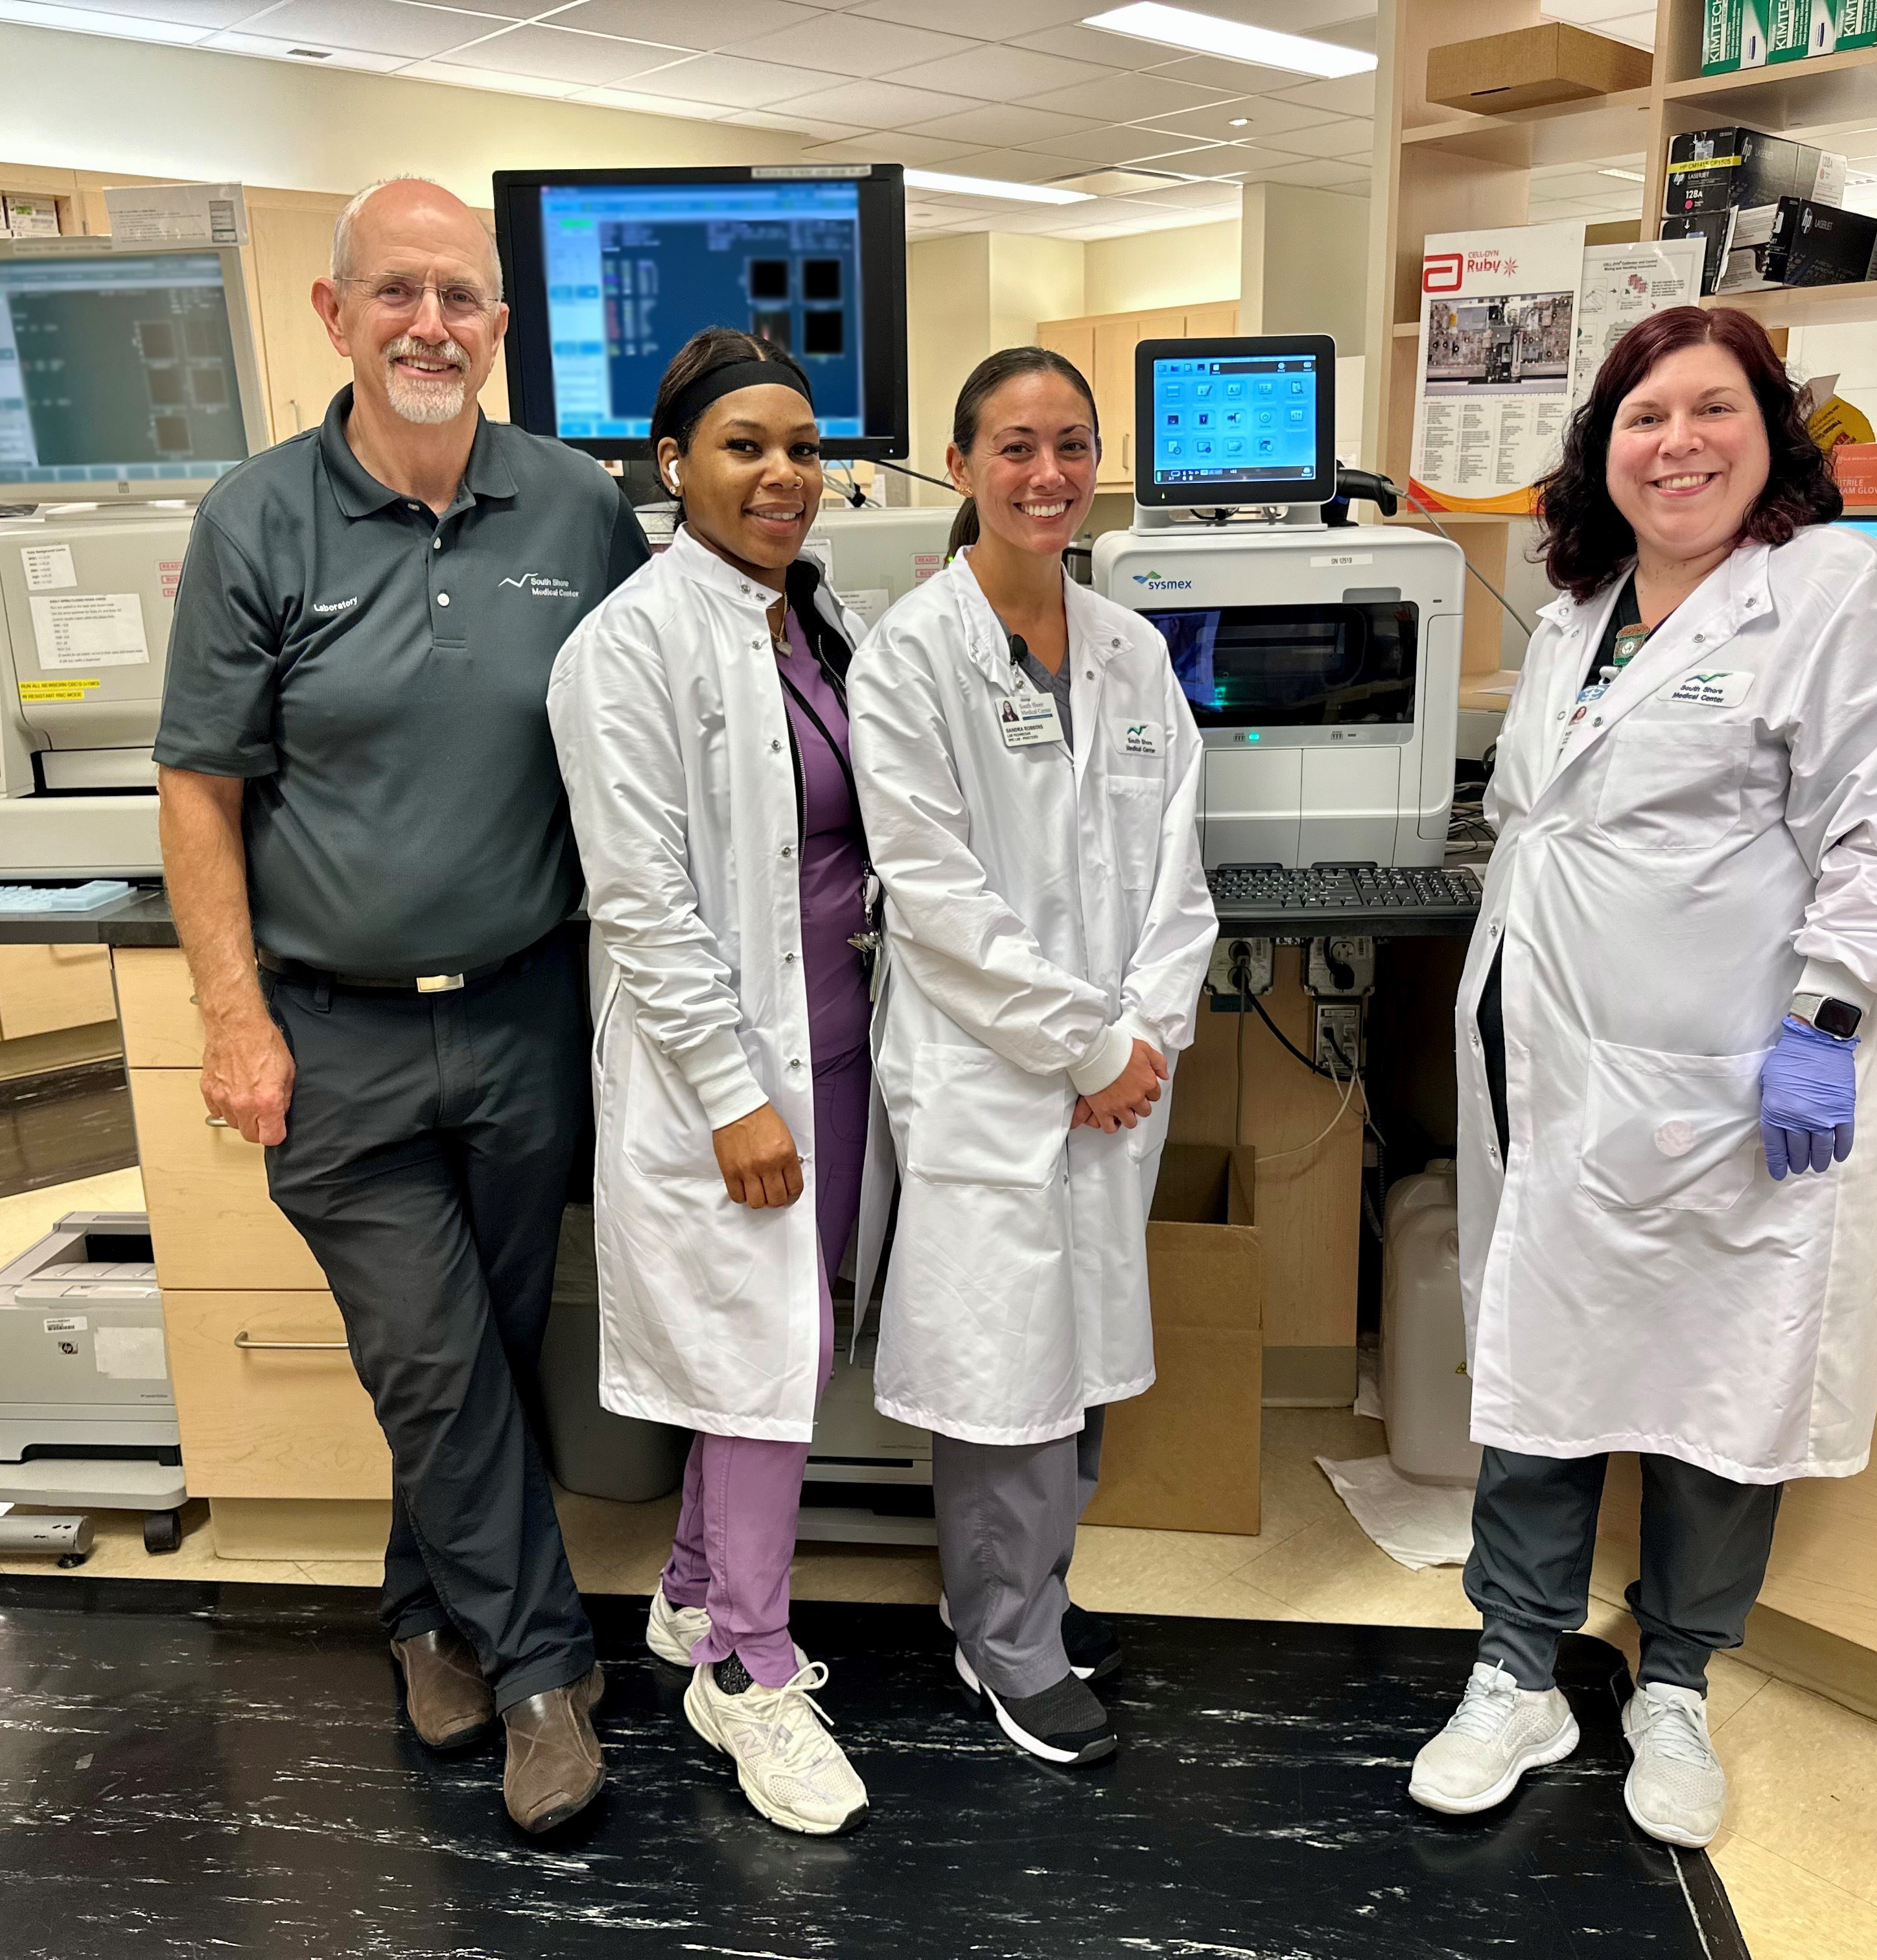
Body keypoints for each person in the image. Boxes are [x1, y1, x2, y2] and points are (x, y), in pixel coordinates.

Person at [1407, 306, 1877, 1847]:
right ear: (1603, 452)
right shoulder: (1581, 604)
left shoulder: (1839, 601)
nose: (1677, 443)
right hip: (1558, 1062)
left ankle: (1675, 1683)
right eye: (1643, 417)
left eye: (1711, 410)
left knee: (1724, 1378)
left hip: (1744, 1075)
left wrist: (1827, 1022)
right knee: (1542, 1367)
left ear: (1772, 433)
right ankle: (1519, 1668)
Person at [153, 177, 649, 1836]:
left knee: (475, 1358)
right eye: (398, 293)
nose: (430, 324)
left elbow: (646, 739)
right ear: (335, 312)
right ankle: (538, 1676)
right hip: (335, 1032)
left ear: (502, 329)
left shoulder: (579, 514)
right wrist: (234, 1016)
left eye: (462, 298)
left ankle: (423, 1615)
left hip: (524, 1013)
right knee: (434, 1361)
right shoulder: (258, 519)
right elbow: (199, 788)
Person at [850, 347, 1218, 1769]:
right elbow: (936, 900)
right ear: (962, 466)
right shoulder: (910, 658)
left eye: (1072, 445)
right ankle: (1005, 1640)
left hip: (1113, 1072)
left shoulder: (1127, 650)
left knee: (1074, 1356)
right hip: (990, 1075)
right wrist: (1084, 1044)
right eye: (1015, 446)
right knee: (1006, 1369)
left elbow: (1178, 859)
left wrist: (1146, 1034)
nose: (1048, 474)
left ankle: (1036, 1600)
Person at [547, 331, 884, 1838]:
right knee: (760, 1365)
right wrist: (734, 1100)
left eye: (806, 448)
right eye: (746, 446)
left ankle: (691, 1593)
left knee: (791, 1348)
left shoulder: (811, 618)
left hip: (842, 1046)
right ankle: (747, 1671)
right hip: (727, 1076)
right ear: (671, 465)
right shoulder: (626, 647)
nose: (784, 475)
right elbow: (643, 902)